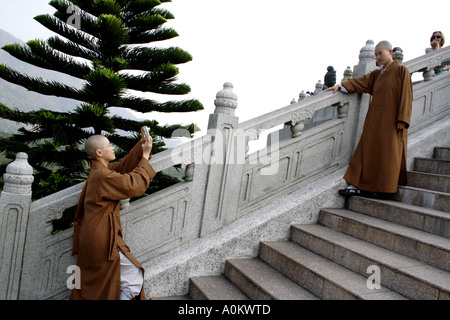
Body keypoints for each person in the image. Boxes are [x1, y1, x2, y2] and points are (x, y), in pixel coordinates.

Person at [70, 127, 156, 300]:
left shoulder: (100, 171)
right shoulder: (102, 176)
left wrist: (141, 146)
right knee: (133, 277)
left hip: (93, 236)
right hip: (102, 239)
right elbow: (133, 184)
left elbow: (124, 165)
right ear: (100, 152)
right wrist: (145, 156)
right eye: (109, 145)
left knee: (98, 287)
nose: (113, 148)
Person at [326, 41, 413, 198]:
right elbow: (361, 82)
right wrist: (341, 85)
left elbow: (406, 95)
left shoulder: (401, 71)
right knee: (369, 149)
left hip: (393, 120)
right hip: (374, 119)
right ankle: (361, 185)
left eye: (381, 53)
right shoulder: (377, 74)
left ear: (390, 51)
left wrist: (403, 119)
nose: (378, 57)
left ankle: (385, 188)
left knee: (389, 153)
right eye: (376, 55)